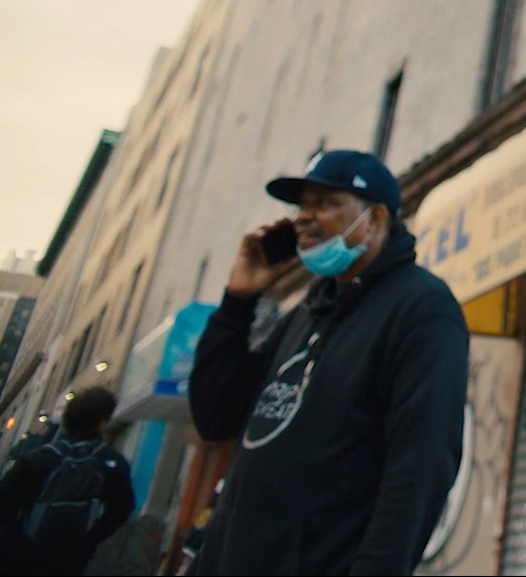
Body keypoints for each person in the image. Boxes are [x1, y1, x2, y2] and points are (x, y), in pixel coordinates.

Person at [186, 150, 469, 576]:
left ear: (374, 220)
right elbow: (216, 417)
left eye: (326, 203)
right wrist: (237, 301)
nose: (303, 217)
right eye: (301, 205)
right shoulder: (305, 312)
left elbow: (420, 469)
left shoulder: (422, 309)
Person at [0, 386, 134, 576]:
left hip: (20, 555)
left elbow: (5, 504)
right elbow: (121, 510)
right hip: (70, 559)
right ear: (102, 423)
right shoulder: (111, 463)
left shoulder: (37, 459)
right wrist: (89, 540)